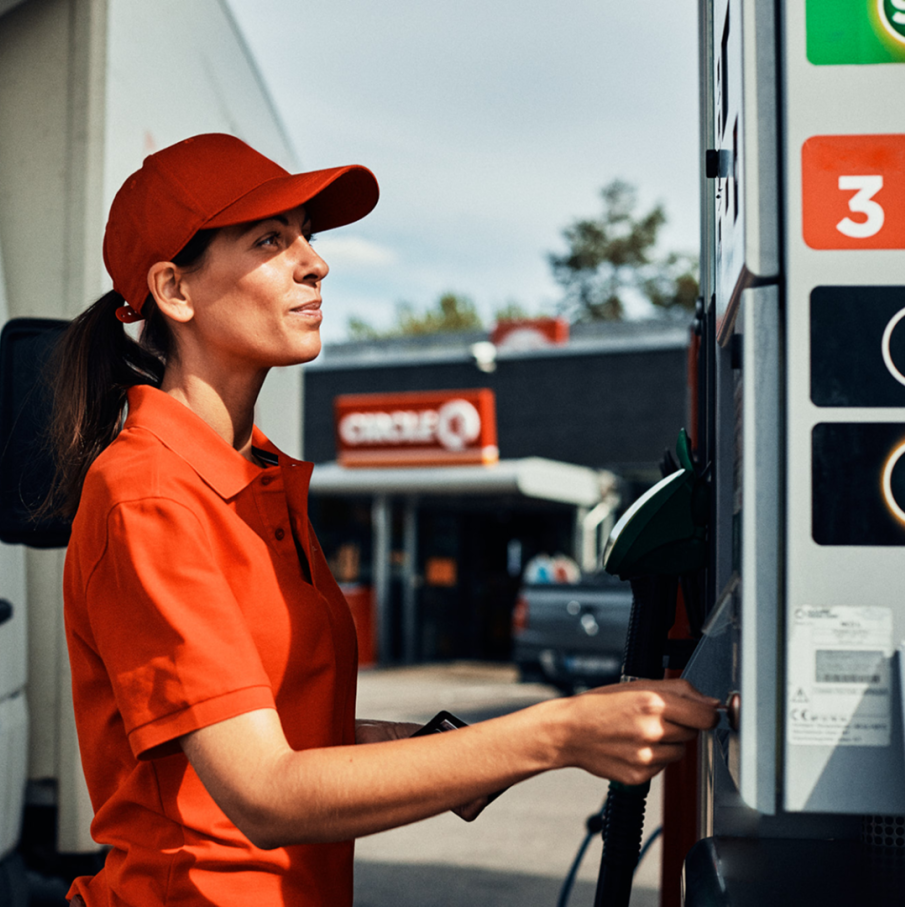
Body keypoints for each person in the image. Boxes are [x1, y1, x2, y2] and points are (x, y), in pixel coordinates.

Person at [43, 133, 719, 907]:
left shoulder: (257, 478)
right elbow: (265, 789)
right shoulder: (151, 493)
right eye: (271, 239)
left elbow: (288, 735)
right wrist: (558, 731)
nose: (315, 262)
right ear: (174, 288)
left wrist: (465, 753)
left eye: (309, 235)